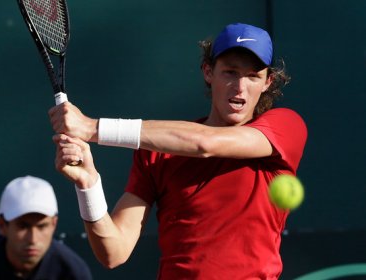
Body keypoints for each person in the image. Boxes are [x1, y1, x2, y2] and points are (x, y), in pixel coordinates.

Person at [49, 23, 308, 279]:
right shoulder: (157, 152)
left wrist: (92, 128)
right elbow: (113, 252)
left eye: (253, 76)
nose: (240, 87)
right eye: (230, 72)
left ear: (267, 82)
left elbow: (205, 144)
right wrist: (88, 185)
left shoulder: (286, 127)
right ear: (208, 72)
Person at [0, 175, 93, 280]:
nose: (33, 239)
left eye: (42, 226)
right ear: (2, 226)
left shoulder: (73, 272)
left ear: (53, 224)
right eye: (23, 226)